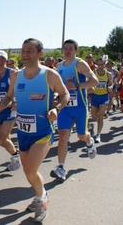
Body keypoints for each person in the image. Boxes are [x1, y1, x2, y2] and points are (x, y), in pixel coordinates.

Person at [0, 38, 70, 222]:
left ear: (40, 53)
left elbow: (65, 94)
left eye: (29, 51)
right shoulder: (16, 76)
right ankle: (39, 195)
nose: (25, 54)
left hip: (43, 131)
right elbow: (8, 96)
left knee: (29, 170)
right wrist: (1, 104)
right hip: (23, 132)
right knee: (28, 172)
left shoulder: (49, 75)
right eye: (23, 51)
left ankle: (43, 198)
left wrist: (57, 109)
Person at [51, 39, 99, 182]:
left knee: (81, 135)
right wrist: (55, 94)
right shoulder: (59, 66)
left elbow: (95, 81)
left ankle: (89, 142)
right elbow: (59, 86)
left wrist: (78, 86)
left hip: (79, 107)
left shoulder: (79, 64)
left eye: (71, 48)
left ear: (76, 50)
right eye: (65, 48)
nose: (67, 51)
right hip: (65, 107)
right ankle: (61, 167)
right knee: (63, 137)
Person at [90, 58, 113, 143]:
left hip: (104, 96)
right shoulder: (93, 73)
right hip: (94, 96)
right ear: (97, 65)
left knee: (101, 115)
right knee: (94, 116)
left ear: (105, 65)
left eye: (102, 65)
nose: (100, 66)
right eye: (99, 65)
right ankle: (92, 127)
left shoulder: (108, 74)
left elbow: (111, 83)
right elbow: (89, 81)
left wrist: (110, 87)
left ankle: (98, 134)